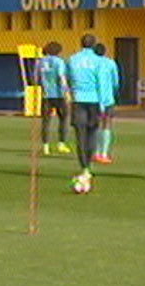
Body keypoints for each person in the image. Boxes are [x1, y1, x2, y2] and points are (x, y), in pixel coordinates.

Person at [67, 34, 104, 180]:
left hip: (78, 99)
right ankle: (89, 164)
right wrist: (103, 103)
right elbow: (101, 82)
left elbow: (68, 79)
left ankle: (84, 167)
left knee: (80, 134)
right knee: (92, 133)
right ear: (94, 44)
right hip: (94, 100)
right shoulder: (98, 61)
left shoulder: (72, 59)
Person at [37, 41, 71, 155]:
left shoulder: (40, 62)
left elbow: (36, 78)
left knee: (45, 121)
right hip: (59, 95)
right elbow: (61, 77)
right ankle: (61, 143)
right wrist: (66, 91)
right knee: (64, 119)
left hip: (46, 95)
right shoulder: (59, 62)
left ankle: (45, 146)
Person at [91, 43, 121, 164]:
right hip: (108, 99)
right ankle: (104, 153)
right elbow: (116, 81)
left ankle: (96, 152)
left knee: (95, 125)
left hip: (94, 98)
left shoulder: (91, 63)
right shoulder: (110, 63)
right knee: (107, 124)